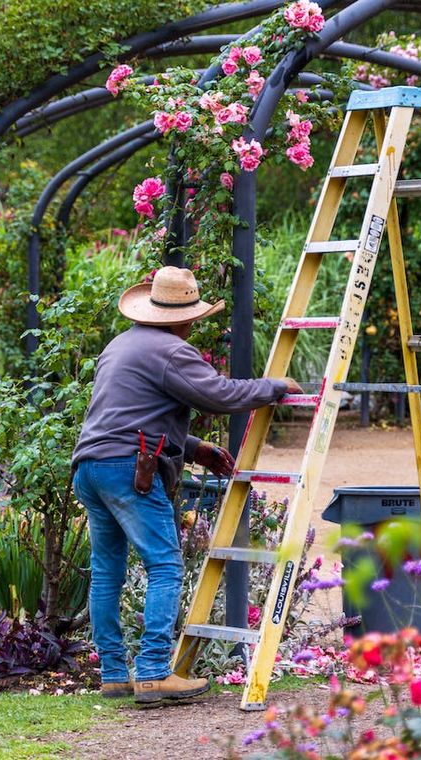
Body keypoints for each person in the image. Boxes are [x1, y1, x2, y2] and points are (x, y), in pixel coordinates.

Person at [73, 265, 302, 705]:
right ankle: (156, 671)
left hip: (90, 466)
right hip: (127, 469)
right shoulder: (171, 352)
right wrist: (273, 387)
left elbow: (127, 413)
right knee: (165, 565)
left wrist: (193, 448)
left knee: (106, 572)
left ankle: (115, 674)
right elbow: (220, 395)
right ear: (185, 317)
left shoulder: (119, 345)